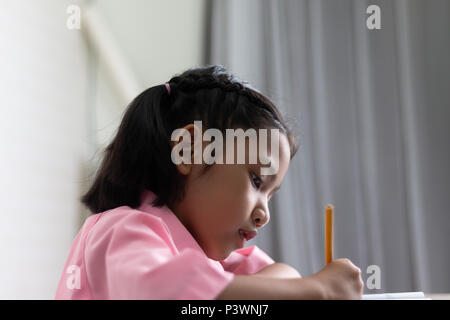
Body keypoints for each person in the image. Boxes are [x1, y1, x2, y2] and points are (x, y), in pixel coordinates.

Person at [55, 65, 363, 299]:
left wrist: (301, 285)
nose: (264, 214)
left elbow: (278, 276)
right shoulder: (120, 231)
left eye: (271, 195)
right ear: (189, 150)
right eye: (257, 181)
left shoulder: (215, 263)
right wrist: (316, 290)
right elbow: (169, 291)